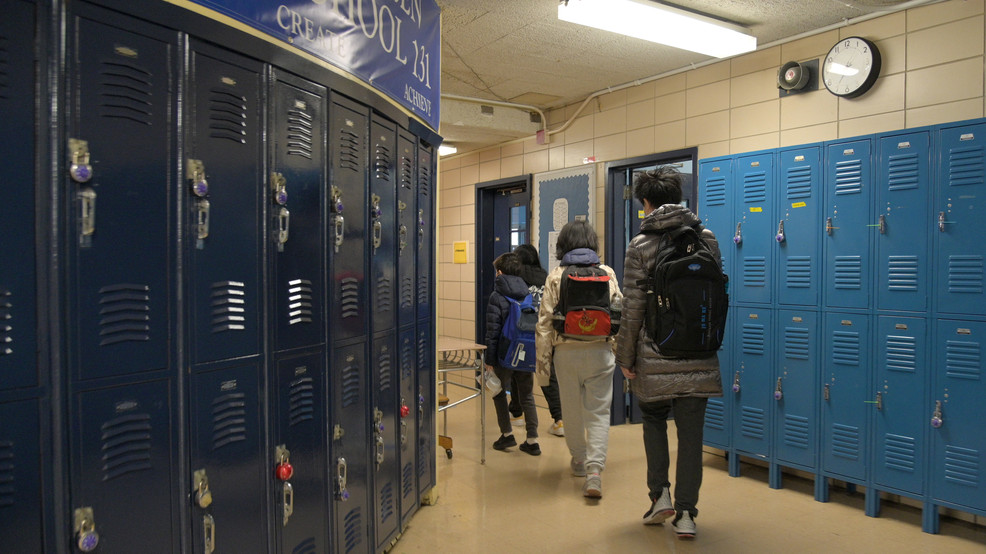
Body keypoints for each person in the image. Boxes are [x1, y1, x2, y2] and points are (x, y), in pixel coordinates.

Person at [615, 166, 724, 539]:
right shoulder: (707, 239)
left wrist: (625, 359)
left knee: (654, 423)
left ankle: (660, 496)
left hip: (654, 355)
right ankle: (687, 514)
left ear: (645, 202)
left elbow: (632, 310)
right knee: (692, 437)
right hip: (699, 354)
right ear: (678, 195)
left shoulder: (640, 245)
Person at [535, 220, 622, 498]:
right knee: (598, 412)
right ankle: (595, 472)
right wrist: (617, 352)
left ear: (563, 244)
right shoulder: (607, 272)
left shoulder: (556, 276)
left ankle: (580, 461)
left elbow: (544, 324)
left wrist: (543, 367)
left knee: (571, 412)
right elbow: (619, 313)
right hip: (600, 352)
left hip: (566, 354)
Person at [483, 252, 541, 455]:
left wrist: (489, 360)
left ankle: (507, 435)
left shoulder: (497, 296)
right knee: (527, 395)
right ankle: (532, 440)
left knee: (498, 392)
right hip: (525, 350)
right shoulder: (528, 294)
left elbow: (493, 331)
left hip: (504, 353)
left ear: (499, 272)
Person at [508, 244, 565, 437]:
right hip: (545, 333)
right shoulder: (546, 278)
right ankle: (559, 420)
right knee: (548, 375)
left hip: (522, 333)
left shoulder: (516, 280)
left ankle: (517, 414)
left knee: (518, 372)